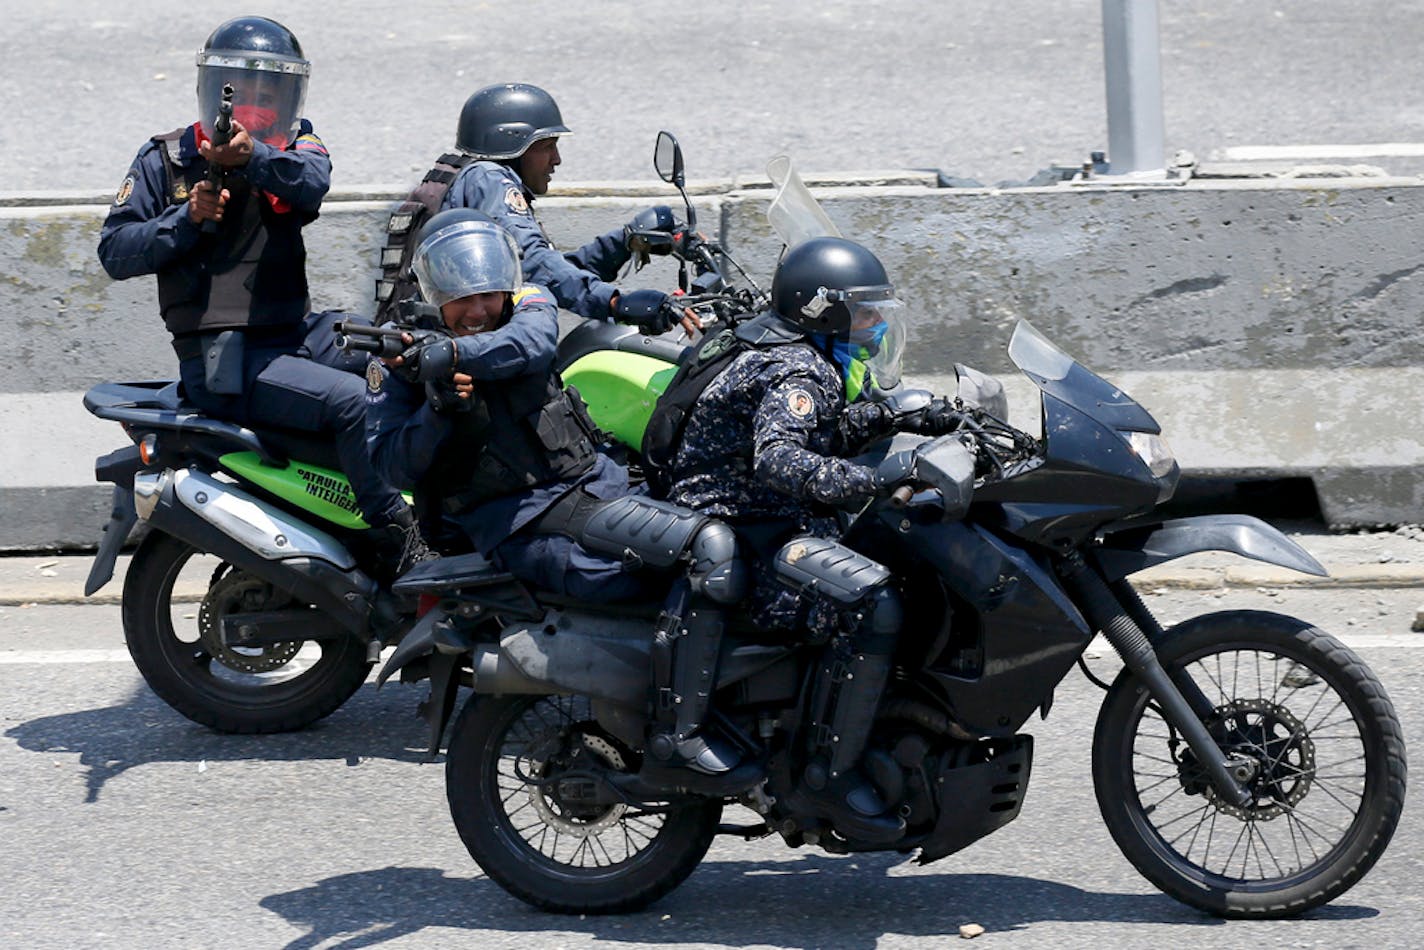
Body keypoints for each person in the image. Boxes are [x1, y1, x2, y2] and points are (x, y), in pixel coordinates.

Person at [659, 236, 977, 842]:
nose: (877, 321)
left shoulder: (795, 351)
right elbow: (778, 458)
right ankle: (830, 772)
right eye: (864, 310)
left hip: (759, 513)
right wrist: (875, 479)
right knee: (872, 604)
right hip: (745, 525)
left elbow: (822, 426)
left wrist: (904, 414)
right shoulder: (798, 368)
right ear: (821, 311)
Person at [97, 15, 424, 573]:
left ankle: (425, 503)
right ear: (212, 89)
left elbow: (313, 182)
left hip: (295, 333)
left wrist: (255, 159)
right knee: (349, 403)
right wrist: (185, 219)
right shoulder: (166, 159)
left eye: (268, 89)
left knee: (403, 352)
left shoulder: (296, 145)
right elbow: (115, 250)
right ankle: (398, 540)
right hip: (224, 356)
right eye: (240, 90)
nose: (253, 102)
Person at [364, 208, 652, 600]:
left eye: (488, 294)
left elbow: (531, 343)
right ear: (432, 292)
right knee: (634, 581)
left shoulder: (528, 300)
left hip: (594, 478)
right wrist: (437, 410)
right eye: (461, 298)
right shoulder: (398, 351)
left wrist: (450, 353)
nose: (479, 311)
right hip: (511, 519)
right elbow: (392, 467)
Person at [434, 83, 696, 336]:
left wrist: (624, 242)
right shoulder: (490, 179)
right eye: (547, 146)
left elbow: (551, 273)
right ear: (512, 148)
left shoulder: (470, 179)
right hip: (463, 355)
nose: (556, 159)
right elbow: (536, 266)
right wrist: (615, 304)